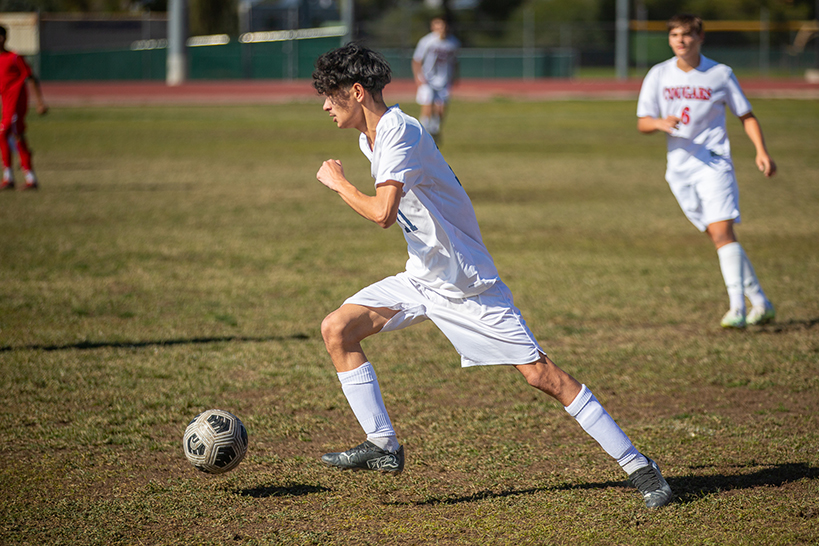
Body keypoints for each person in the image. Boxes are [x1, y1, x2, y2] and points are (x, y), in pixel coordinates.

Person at [312, 43, 673, 510]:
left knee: (542, 376)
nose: (324, 106)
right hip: (423, 278)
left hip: (467, 286)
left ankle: (640, 466)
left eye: (329, 95)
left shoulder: (399, 130)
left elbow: (383, 213)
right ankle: (383, 446)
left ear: (356, 91)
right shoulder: (371, 137)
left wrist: (339, 183)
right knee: (337, 327)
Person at [637, 14, 776, 329]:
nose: (681, 41)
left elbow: (747, 115)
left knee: (722, 232)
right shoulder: (658, 74)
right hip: (679, 169)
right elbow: (643, 121)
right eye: (675, 35)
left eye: (687, 35)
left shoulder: (719, 74)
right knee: (718, 235)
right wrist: (660, 122)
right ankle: (762, 303)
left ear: (700, 38)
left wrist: (761, 151)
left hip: (714, 163)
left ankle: (737, 308)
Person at [0, 24, 48, 191]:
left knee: (4, 133)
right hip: (6, 106)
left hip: (16, 105)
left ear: (5, 38)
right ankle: (28, 178)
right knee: (16, 137)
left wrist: (40, 102)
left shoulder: (14, 57)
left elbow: (31, 77)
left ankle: (10, 177)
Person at [412, 17, 459, 141]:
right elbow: (417, 60)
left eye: (442, 26)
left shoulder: (453, 42)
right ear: (433, 27)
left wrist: (455, 76)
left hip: (444, 79)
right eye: (437, 26)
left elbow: (455, 61)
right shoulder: (426, 41)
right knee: (427, 105)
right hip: (427, 79)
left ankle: (435, 129)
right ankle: (423, 132)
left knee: (441, 108)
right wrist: (418, 77)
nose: (440, 29)